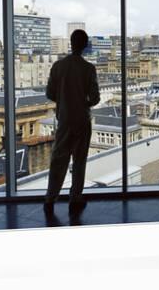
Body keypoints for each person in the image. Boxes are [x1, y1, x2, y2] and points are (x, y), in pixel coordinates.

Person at [43, 29, 100, 216]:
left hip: (65, 119)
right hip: (82, 120)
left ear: (71, 43)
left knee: (59, 159)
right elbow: (95, 98)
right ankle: (75, 197)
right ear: (84, 45)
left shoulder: (58, 66)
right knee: (79, 161)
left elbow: (49, 93)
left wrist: (63, 98)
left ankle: (50, 197)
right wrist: (84, 102)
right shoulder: (89, 69)